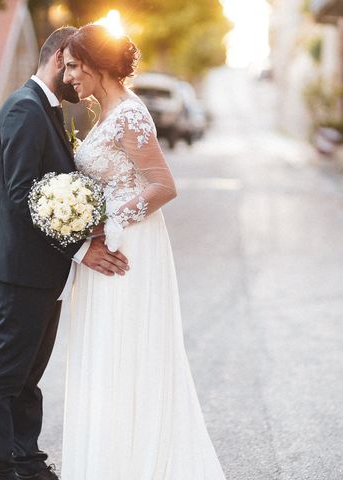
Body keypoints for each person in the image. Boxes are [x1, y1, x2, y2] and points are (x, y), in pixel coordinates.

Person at [59, 24, 227, 479]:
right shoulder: (103, 114)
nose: (68, 75)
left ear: (96, 66)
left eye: (74, 66)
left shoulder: (130, 115)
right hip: (108, 241)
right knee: (106, 358)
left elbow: (163, 185)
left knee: (127, 353)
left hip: (129, 246)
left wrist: (104, 221)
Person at [0, 27, 130, 480]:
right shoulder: (25, 109)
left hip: (41, 272)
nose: (79, 75)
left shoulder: (47, 108)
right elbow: (24, 196)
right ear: (62, 57)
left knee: (27, 378)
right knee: (3, 376)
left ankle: (28, 461)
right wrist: (81, 248)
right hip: (19, 270)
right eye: (76, 63)